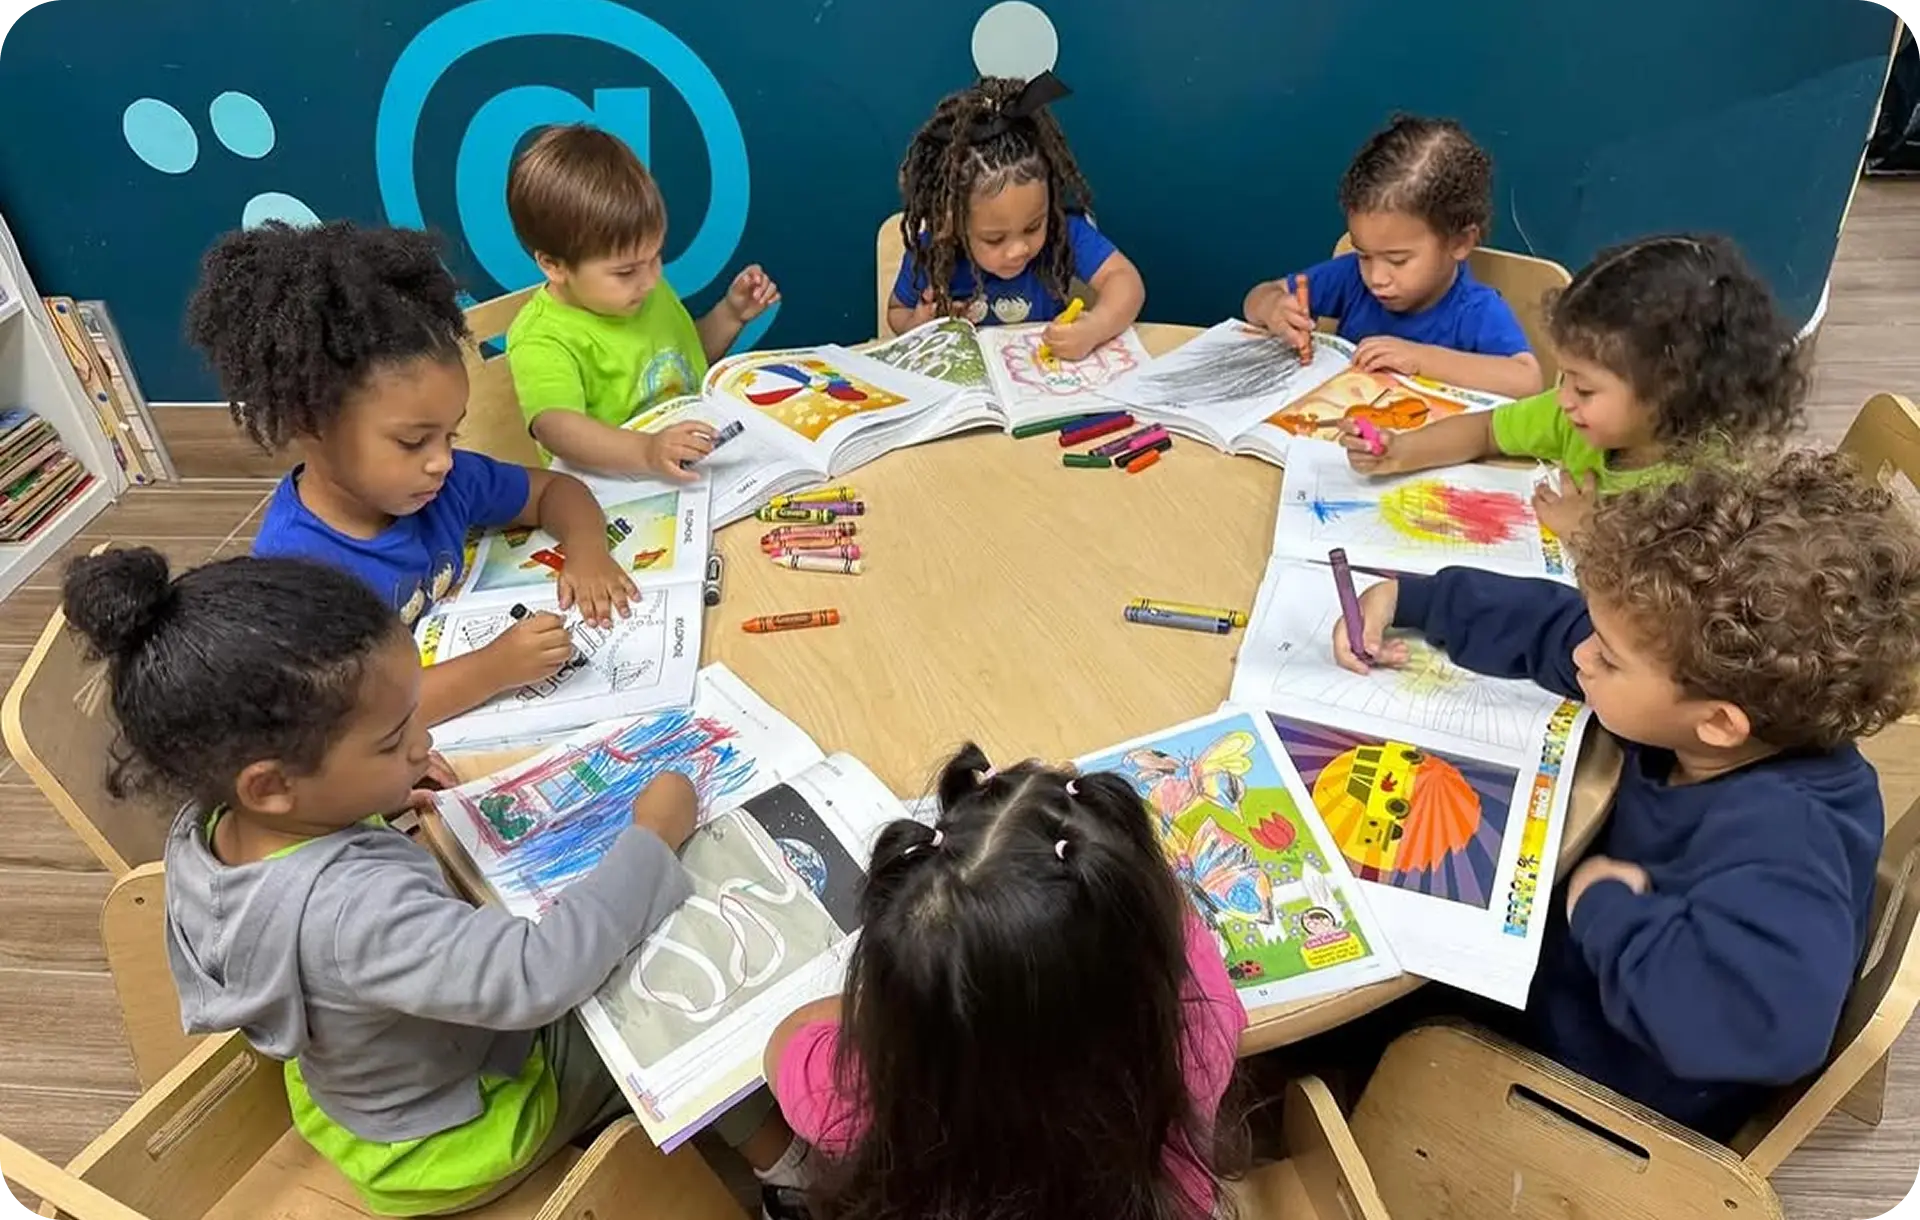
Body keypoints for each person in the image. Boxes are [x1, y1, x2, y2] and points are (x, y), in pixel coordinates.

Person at [64, 548, 814, 1219]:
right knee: (671, 993)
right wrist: (653, 838)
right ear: (273, 785)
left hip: (363, 1099)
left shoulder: (211, 827)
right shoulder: (354, 913)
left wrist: (373, 794)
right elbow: (536, 976)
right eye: (393, 740)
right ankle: (800, 1177)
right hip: (459, 1132)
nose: (422, 744)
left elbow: (323, 909)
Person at [1330, 450, 1920, 1139]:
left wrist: (1608, 913)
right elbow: (1563, 629)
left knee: (1352, 1004)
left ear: (1719, 723)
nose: (1585, 656)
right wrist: (1418, 600)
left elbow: (1774, 1030)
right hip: (1591, 966)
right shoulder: (1716, 699)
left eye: (1608, 658)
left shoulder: (1789, 839)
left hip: (1613, 1078)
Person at [764, 745, 1245, 1220]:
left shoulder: (859, 1097)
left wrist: (905, 990)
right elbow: (1175, 919)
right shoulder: (1200, 1024)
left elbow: (784, 1043)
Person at [186, 220, 631, 727]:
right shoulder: (296, 575)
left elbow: (556, 489)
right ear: (311, 423)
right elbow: (351, 722)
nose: (442, 459)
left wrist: (589, 551)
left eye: (451, 435)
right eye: (413, 441)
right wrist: (496, 667)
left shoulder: (443, 482)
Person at [1335, 233, 1805, 541]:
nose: (1563, 400)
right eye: (1566, 379)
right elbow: (1486, 431)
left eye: (1584, 389)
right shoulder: (1577, 420)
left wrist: (1585, 535)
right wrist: (1400, 450)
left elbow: (1665, 626)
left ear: (1670, 389)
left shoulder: (1710, 496)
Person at [505, 124, 780, 477]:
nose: (651, 279)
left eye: (655, 257)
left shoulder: (640, 292)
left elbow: (679, 365)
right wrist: (647, 451)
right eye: (626, 271)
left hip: (689, 468)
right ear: (553, 265)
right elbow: (556, 427)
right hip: (613, 491)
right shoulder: (543, 336)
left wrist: (731, 314)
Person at [1244, 114, 1541, 398]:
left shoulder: (1475, 309)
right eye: (1363, 255)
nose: (1376, 278)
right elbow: (1258, 297)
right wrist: (1273, 307)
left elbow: (1527, 380)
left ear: (1460, 242)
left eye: (1398, 261)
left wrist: (1419, 358)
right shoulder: (1351, 278)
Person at [888, 72, 1145, 359]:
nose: (1018, 250)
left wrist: (1095, 327)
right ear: (954, 224)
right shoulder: (933, 251)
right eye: (994, 239)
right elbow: (897, 312)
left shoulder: (1063, 233)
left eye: (1034, 226)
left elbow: (1125, 280)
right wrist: (918, 324)